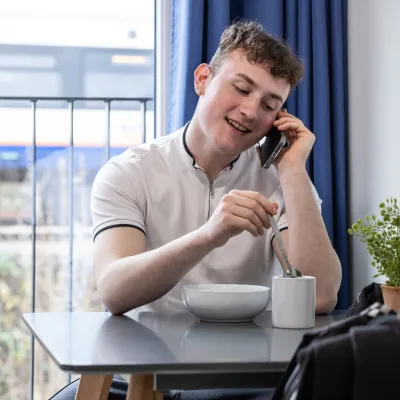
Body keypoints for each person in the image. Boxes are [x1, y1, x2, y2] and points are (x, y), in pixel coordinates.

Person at [50, 20, 342, 400]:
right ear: (203, 79)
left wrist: (292, 170)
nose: (251, 111)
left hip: (245, 380)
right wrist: (210, 235)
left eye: (269, 105)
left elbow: (320, 297)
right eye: (240, 88)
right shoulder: (129, 172)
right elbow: (115, 291)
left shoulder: (282, 180)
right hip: (144, 375)